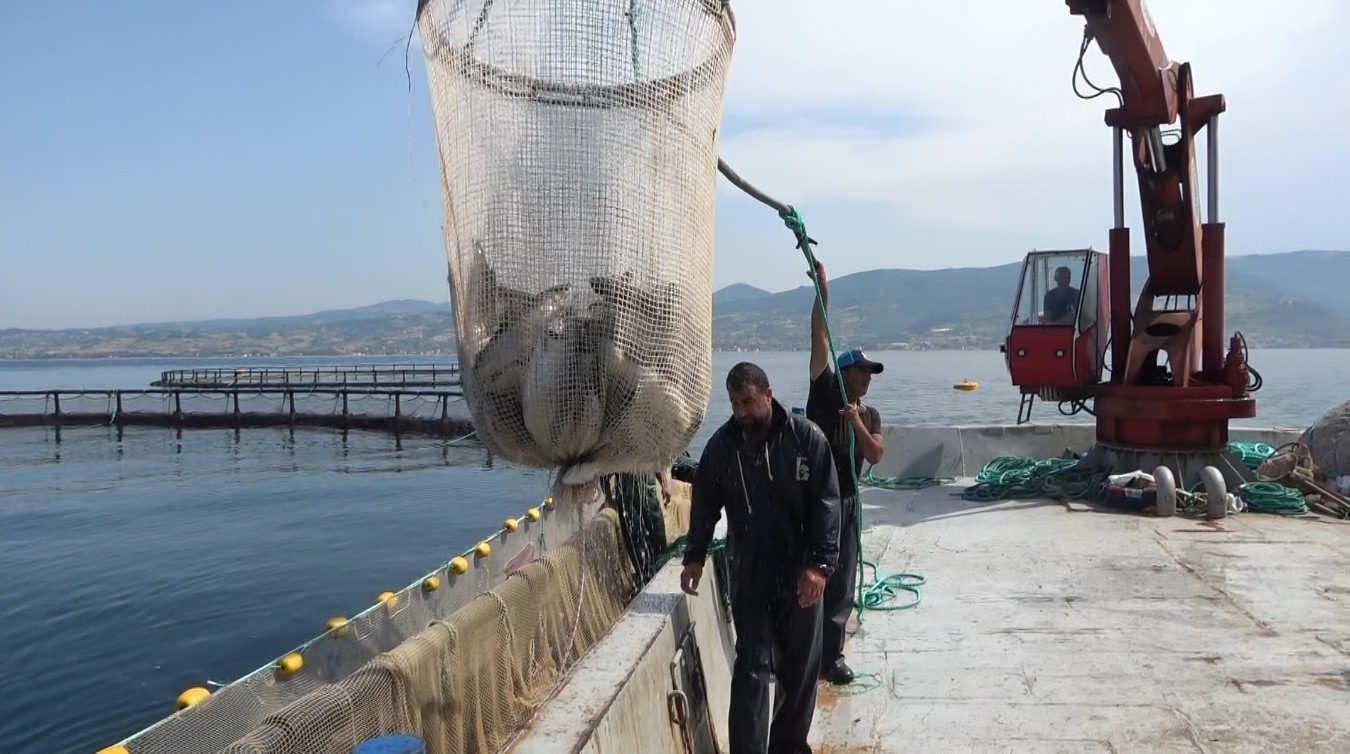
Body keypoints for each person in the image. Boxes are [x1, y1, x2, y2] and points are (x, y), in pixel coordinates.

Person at [681, 361, 841, 754]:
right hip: (750, 571)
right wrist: (695, 555)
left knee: (800, 669)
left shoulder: (807, 439)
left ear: (768, 394)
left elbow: (827, 502)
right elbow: (705, 503)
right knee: (752, 668)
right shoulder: (722, 447)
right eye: (735, 403)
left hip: (801, 570)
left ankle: (788, 746)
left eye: (748, 401)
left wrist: (820, 565)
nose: (741, 412)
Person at [805, 259, 885, 686]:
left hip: (848, 502)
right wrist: (822, 292)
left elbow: (875, 455)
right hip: (817, 499)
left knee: (842, 582)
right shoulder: (824, 390)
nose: (869, 378)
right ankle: (803, 651)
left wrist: (856, 422)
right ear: (847, 371)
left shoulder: (870, 414)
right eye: (864, 371)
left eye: (872, 374)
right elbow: (818, 333)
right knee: (811, 572)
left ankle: (830, 656)